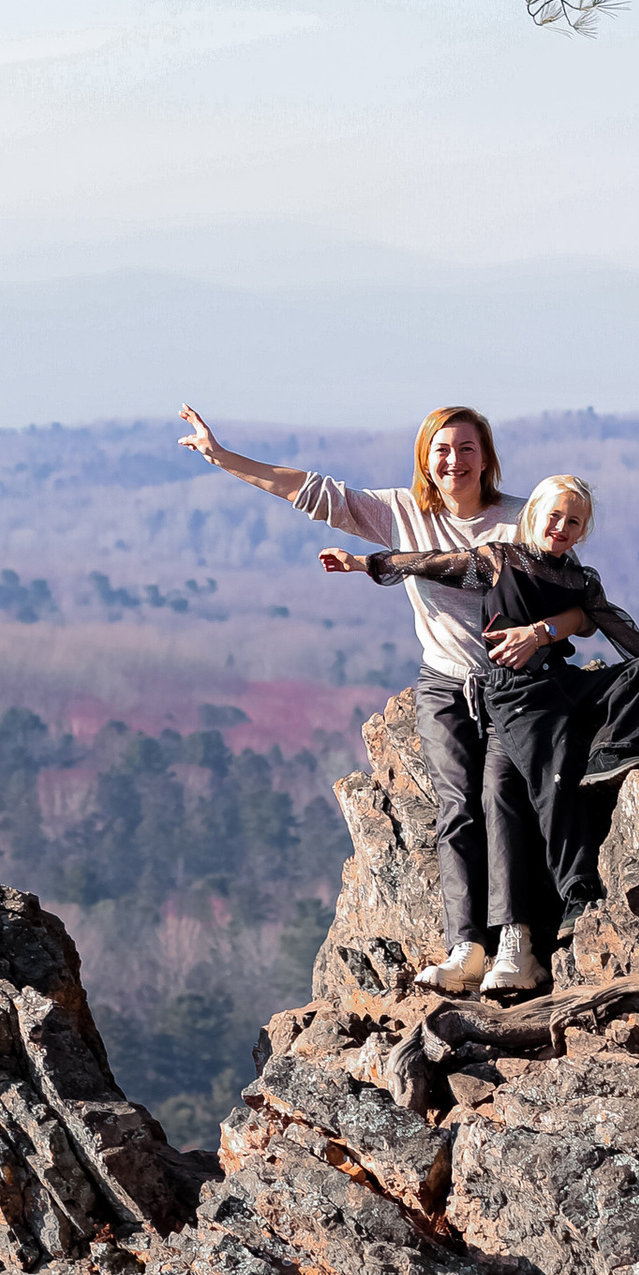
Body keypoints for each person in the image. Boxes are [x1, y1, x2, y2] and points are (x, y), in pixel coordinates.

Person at [321, 474, 639, 997]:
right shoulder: (498, 559)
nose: (561, 527)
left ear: (582, 532)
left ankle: (612, 754)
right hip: (516, 696)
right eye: (553, 516)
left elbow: (623, 631)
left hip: (561, 683)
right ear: (533, 515)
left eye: (573, 522)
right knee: (540, 787)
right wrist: (362, 563)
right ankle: (563, 901)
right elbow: (427, 562)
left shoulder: (581, 580)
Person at [179, 398, 524, 992]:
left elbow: (582, 597)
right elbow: (313, 492)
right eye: (442, 450)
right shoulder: (402, 512)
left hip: (515, 686)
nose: (455, 460)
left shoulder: (521, 518)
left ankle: (516, 941)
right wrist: (221, 456)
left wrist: (541, 632)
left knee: (504, 801)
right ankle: (467, 945)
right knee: (457, 809)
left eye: (467, 448)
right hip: (444, 681)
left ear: (487, 457)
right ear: (425, 459)